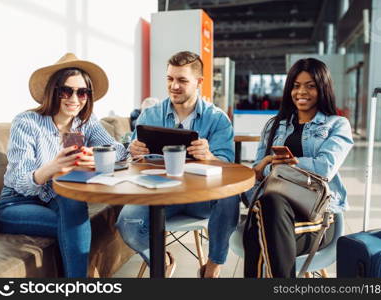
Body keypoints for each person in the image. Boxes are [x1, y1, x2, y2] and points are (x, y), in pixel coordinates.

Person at [0, 53, 127, 277]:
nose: (75, 99)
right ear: (53, 92)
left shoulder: (85, 123)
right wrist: (52, 168)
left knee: (73, 203)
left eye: (82, 92)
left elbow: (119, 150)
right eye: (67, 91)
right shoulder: (26, 122)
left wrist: (97, 155)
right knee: (76, 224)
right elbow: (19, 180)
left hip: (59, 198)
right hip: (16, 203)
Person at [116, 51, 238, 278]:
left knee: (230, 196)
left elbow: (229, 167)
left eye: (182, 80)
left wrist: (210, 155)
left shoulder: (218, 119)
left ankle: (212, 269)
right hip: (160, 197)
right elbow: (133, 163)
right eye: (170, 79)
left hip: (201, 199)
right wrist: (134, 152)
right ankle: (161, 261)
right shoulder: (149, 115)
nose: (174, 86)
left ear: (199, 82)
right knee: (127, 222)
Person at [243, 58, 354, 278]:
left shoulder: (336, 125)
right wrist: (266, 165)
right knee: (268, 206)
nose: (301, 91)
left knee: (259, 221)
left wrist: (285, 164)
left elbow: (324, 168)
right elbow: (257, 171)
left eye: (310, 86)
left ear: (322, 88)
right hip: (274, 212)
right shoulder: (274, 125)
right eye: (296, 85)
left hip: (317, 218)